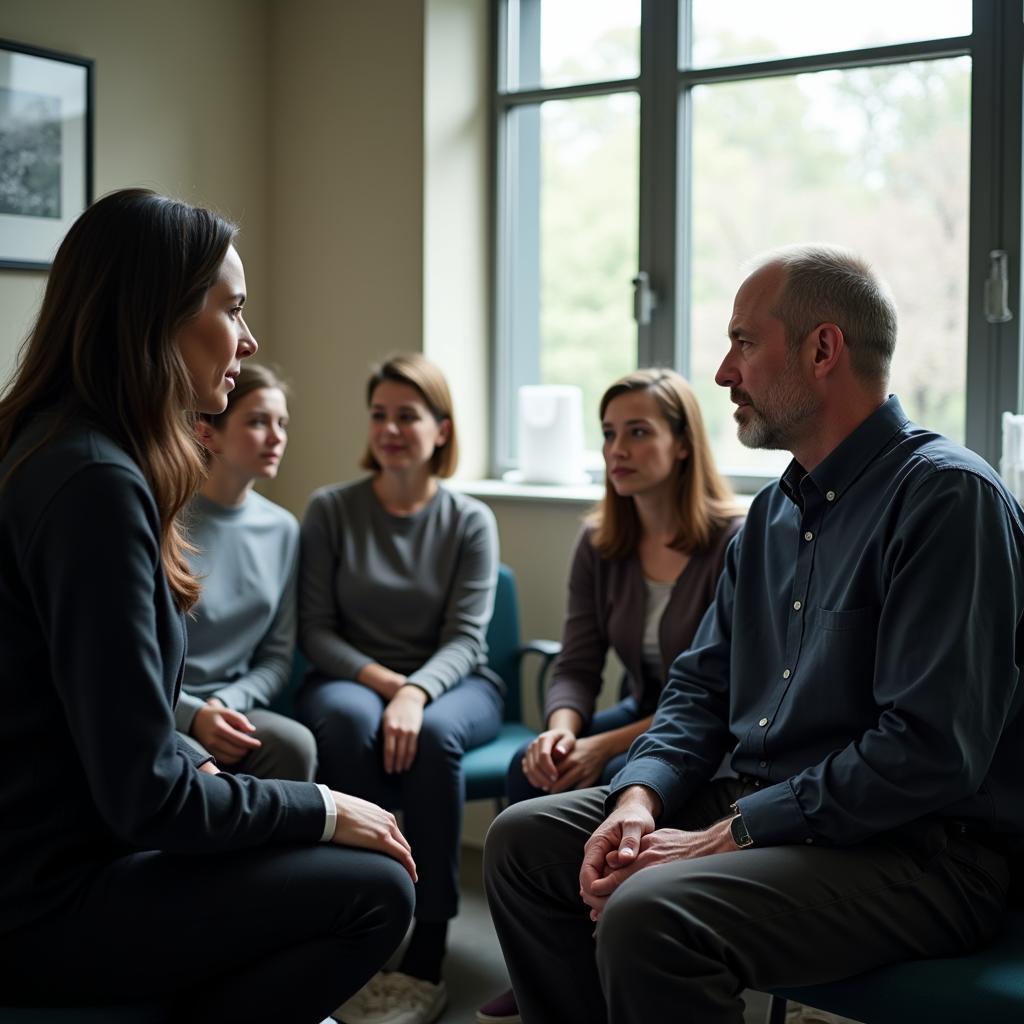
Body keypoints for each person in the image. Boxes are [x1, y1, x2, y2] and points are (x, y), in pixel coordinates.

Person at [484, 244, 1024, 1024]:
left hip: (918, 852)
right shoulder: (770, 516)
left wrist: (723, 836)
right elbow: (699, 691)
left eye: (742, 342)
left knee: (650, 914)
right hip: (764, 805)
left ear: (822, 350)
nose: (723, 372)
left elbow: (927, 752)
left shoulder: (948, 500)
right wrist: (640, 797)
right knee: (525, 841)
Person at [0, 189, 416, 1024]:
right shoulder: (94, 483)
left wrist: (205, 765)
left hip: (43, 856)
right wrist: (324, 808)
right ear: (153, 319)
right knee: (378, 890)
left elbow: (103, 730)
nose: (250, 339)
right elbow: (145, 798)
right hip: (46, 903)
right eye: (232, 309)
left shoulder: (51, 442)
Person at [477, 369, 743, 1024]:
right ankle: (545, 955)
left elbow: (719, 690)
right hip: (638, 709)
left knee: (622, 773)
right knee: (532, 766)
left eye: (637, 432)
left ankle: (604, 957)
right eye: (607, 434)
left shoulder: (735, 539)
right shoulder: (599, 540)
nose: (615, 449)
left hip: (712, 727)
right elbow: (576, 661)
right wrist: (564, 729)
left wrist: (602, 745)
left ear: (683, 444)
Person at [297, 352, 503, 1024]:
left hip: (456, 684)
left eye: (407, 416)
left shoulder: (469, 520)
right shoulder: (331, 509)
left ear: (440, 429)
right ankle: (362, 929)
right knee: (348, 725)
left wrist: (417, 693)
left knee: (437, 737)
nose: (390, 428)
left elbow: (468, 639)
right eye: (379, 415)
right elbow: (317, 632)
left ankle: (427, 956)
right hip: (352, 677)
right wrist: (391, 686)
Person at [179, 362, 317, 783]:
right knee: (199, 774)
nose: (277, 438)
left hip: (234, 705)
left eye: (282, 423)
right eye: (258, 422)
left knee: (296, 744)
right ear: (208, 433)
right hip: (162, 707)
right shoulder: (166, 519)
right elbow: (131, 658)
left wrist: (223, 703)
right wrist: (194, 714)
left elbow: (276, 659)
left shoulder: (283, 530)